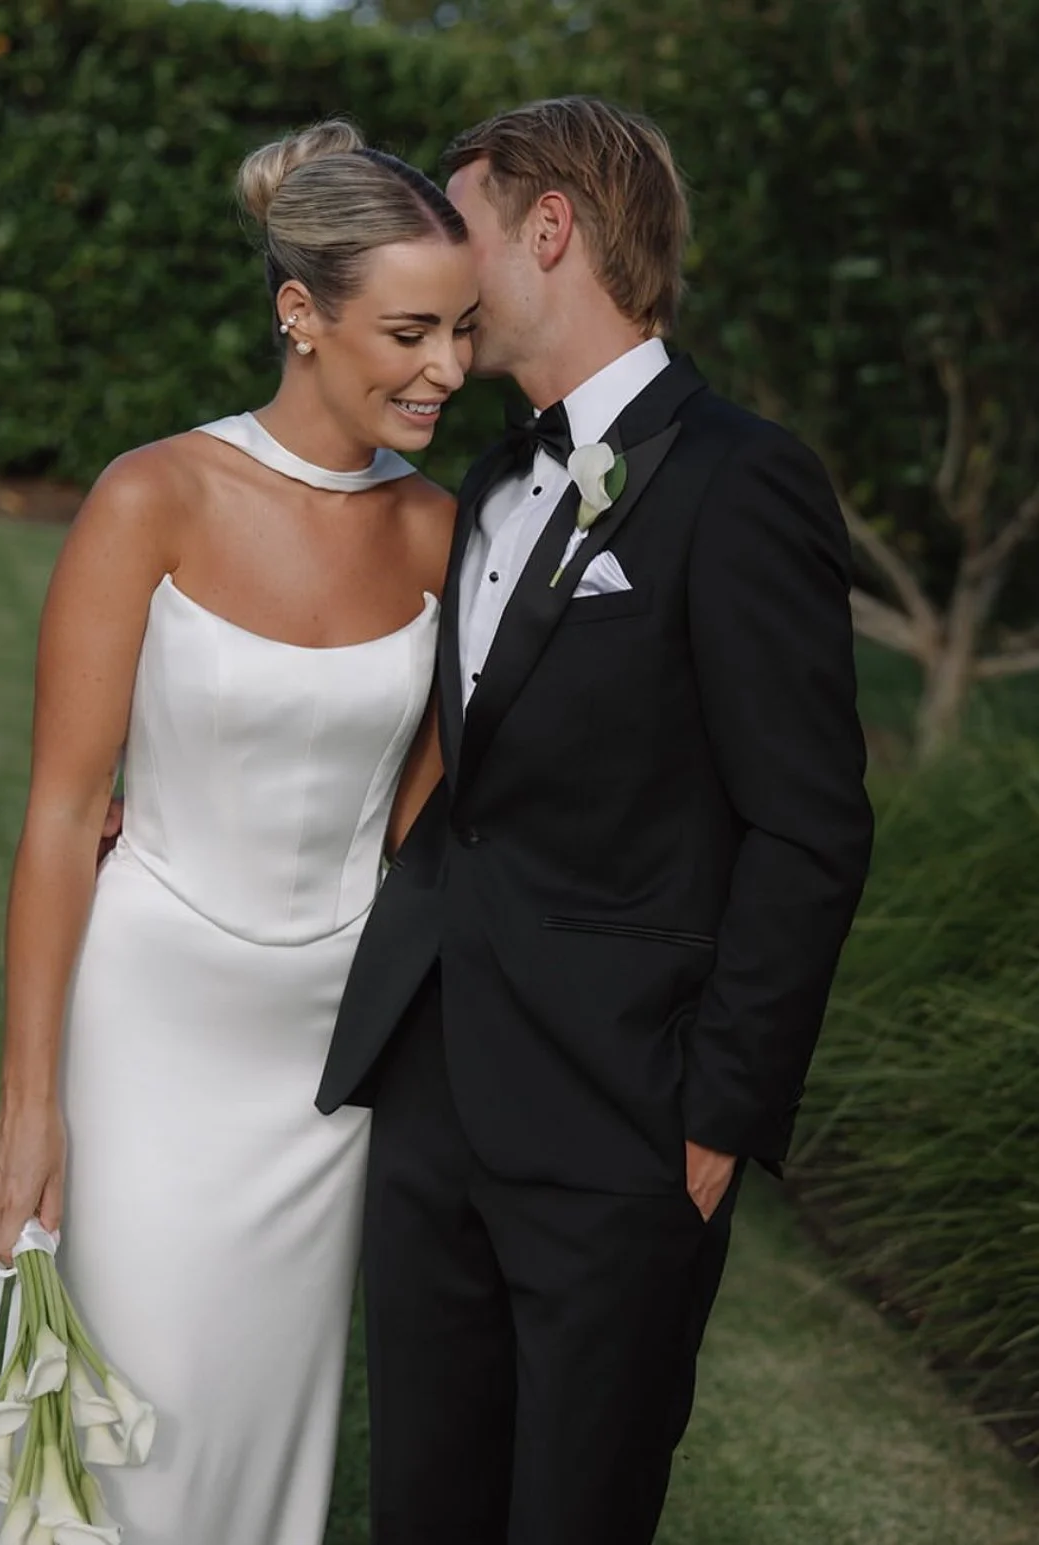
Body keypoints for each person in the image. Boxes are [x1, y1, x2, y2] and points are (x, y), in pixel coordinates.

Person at [317, 96, 875, 1544]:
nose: (431, 276)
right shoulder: (493, 477)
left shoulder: (742, 482)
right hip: (434, 1087)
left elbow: (808, 826)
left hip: (620, 1120)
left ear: (547, 228)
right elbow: (457, 768)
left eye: (456, 231)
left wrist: (716, 1113)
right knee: (421, 1503)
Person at [0, 121, 478, 1545]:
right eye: (408, 330)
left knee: (263, 1443)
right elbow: (64, 813)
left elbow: (423, 822)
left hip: (327, 1065)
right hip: (146, 1033)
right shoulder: (155, 498)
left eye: (461, 329)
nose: (445, 367)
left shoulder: (446, 532)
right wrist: (32, 1105)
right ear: (299, 315)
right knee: (127, 1430)